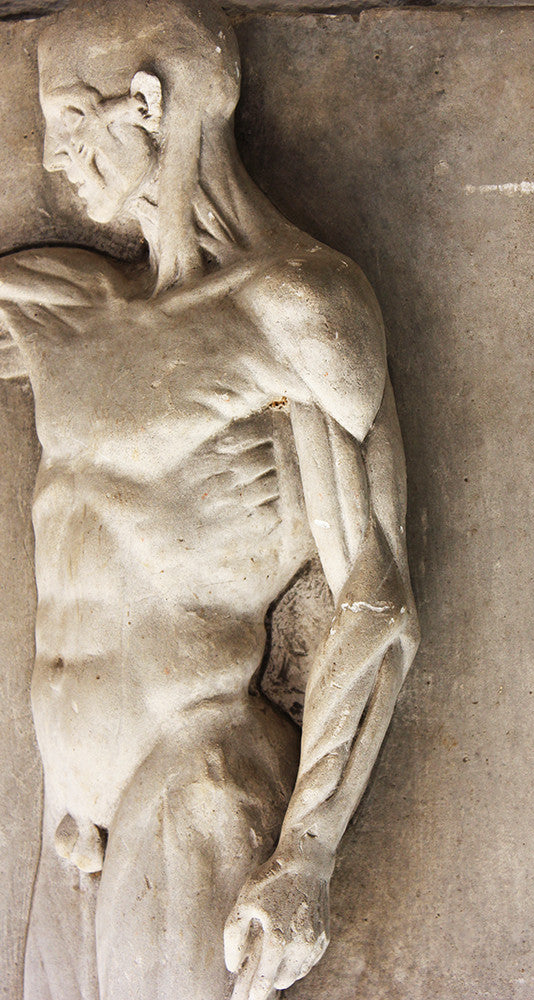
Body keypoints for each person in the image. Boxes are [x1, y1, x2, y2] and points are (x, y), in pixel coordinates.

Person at [0, 2, 418, 998]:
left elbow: (373, 598)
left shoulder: (291, 310)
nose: (52, 158)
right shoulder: (61, 307)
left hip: (197, 782)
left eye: (70, 119)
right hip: (76, 825)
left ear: (147, 105)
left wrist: (307, 851)